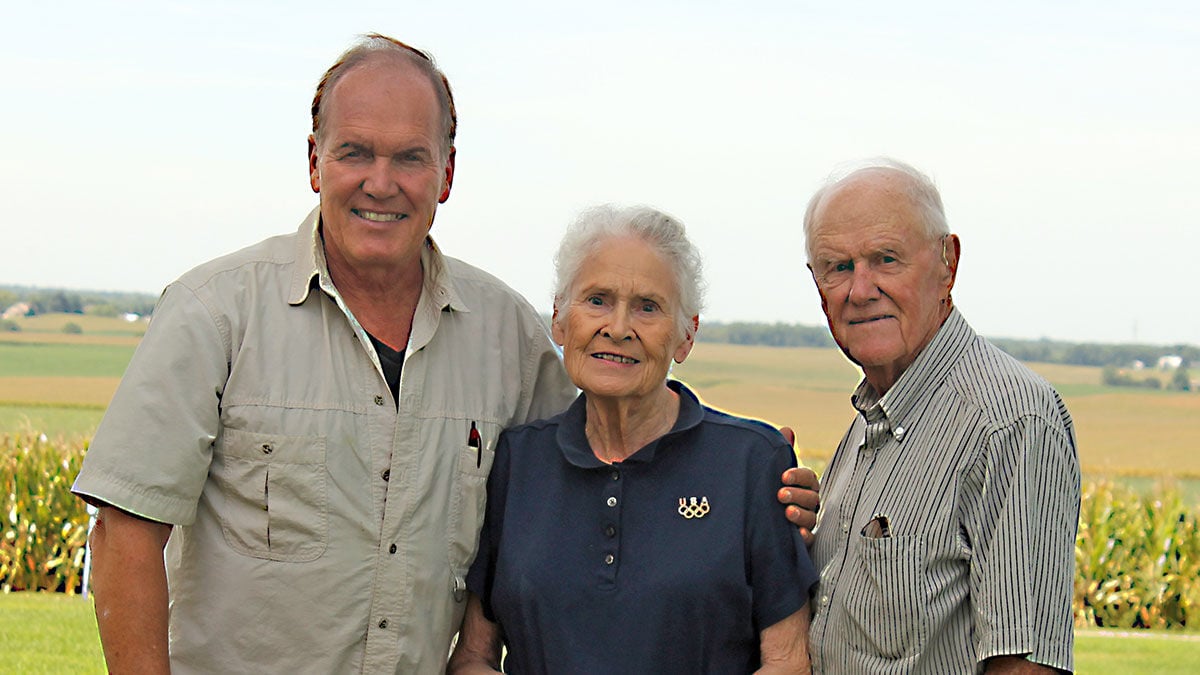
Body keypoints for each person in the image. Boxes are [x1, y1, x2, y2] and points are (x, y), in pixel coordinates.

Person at [70, 34, 579, 673]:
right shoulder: (215, 312)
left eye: (410, 158)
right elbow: (126, 530)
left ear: (447, 174)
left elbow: (565, 514)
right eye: (355, 152)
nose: (381, 182)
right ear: (315, 162)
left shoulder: (510, 337)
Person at [448, 205, 820, 674]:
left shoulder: (753, 463)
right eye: (597, 300)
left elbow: (788, 662)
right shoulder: (518, 461)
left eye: (648, 307)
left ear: (686, 336)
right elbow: (473, 658)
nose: (619, 328)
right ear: (561, 320)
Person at [801, 158, 1080, 674]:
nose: (860, 290)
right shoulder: (872, 417)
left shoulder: (1009, 421)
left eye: (886, 259)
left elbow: (1025, 665)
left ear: (947, 263)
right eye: (838, 267)